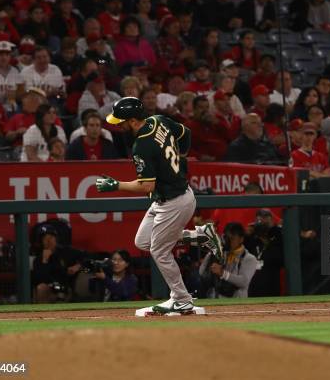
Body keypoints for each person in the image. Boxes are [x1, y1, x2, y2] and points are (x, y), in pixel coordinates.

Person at [95, 97, 224, 314]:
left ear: (133, 120)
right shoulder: (158, 120)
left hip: (174, 202)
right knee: (143, 241)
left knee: (159, 250)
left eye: (121, 121)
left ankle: (182, 299)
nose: (118, 125)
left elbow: (146, 185)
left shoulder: (141, 144)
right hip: (170, 197)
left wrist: (116, 185)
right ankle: (199, 236)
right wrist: (180, 158)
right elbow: (185, 133)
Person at [199, 222, 258, 298]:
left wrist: (223, 273)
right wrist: (213, 252)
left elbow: (244, 282)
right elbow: (201, 272)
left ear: (241, 239)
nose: (228, 241)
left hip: (237, 302)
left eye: (232, 238)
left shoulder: (249, 258)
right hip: (214, 299)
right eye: (226, 238)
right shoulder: (220, 253)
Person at [245, 209, 283, 296]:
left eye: (265, 217)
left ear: (271, 219)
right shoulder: (253, 236)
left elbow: (278, 258)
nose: (262, 220)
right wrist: (248, 234)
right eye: (259, 218)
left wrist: (270, 230)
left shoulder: (277, 233)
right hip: (253, 279)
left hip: (271, 278)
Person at [0, 41, 24, 114]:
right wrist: (1, 95)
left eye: (7, 54)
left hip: (13, 110)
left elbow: (21, 95)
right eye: (0, 54)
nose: (4, 57)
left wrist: (15, 94)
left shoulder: (15, 71)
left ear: (10, 56)